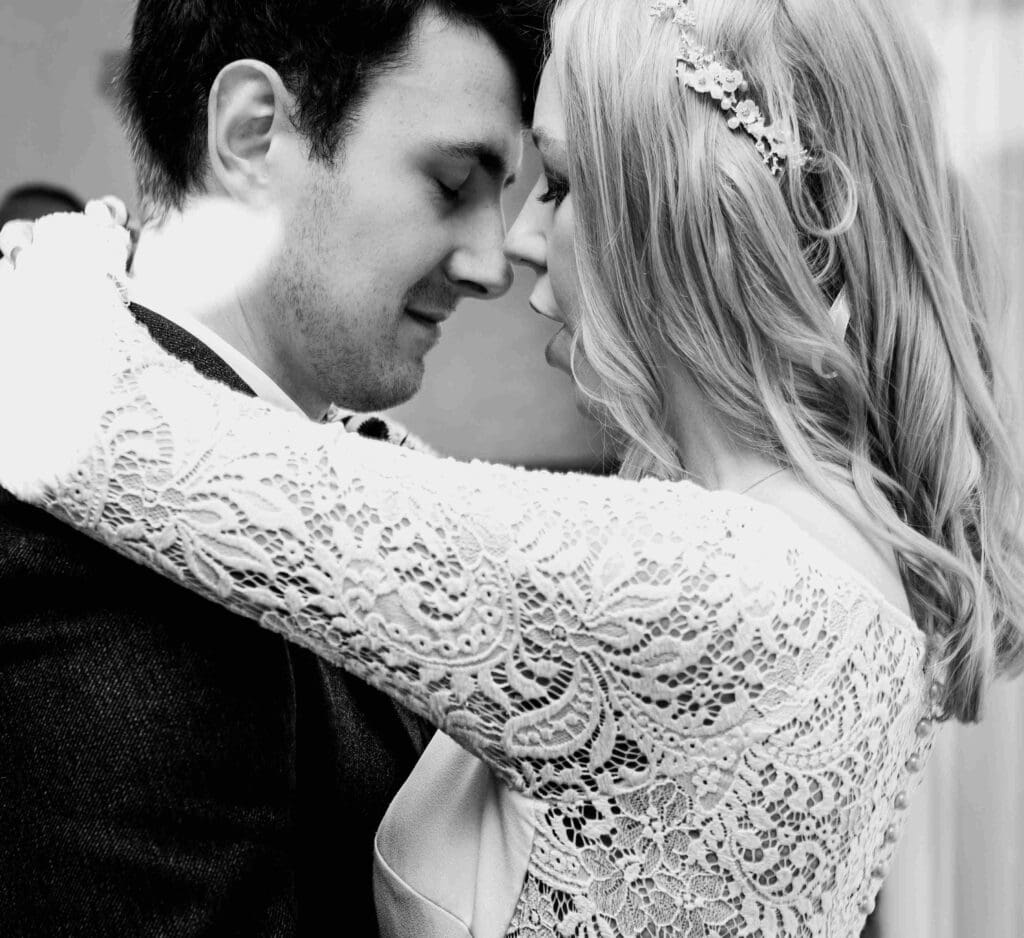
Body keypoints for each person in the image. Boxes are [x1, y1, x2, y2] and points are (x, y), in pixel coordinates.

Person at [1, 0, 1022, 936]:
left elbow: (106, 425)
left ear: (689, 206)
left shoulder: (719, 582)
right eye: (457, 183)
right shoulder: (787, 546)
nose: (514, 246)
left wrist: (62, 252)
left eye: (559, 185)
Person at [0, 1, 547, 936]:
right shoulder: (102, 545)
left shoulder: (316, 463)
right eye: (452, 182)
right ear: (253, 135)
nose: (493, 265)